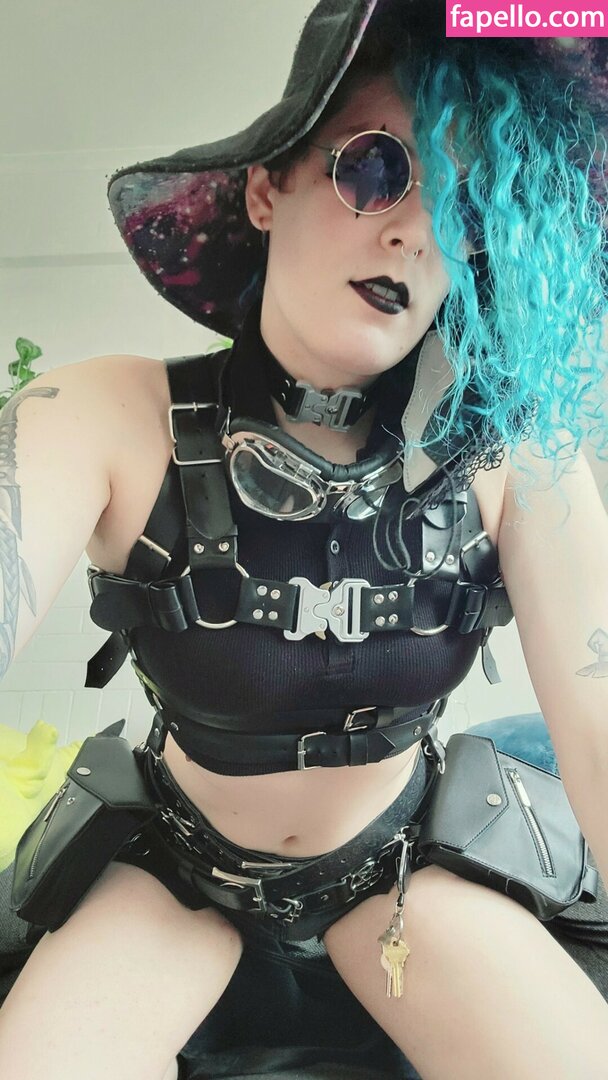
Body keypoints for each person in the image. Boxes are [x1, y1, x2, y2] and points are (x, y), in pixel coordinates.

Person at [0, 0, 608, 1077]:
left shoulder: (512, 456)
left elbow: (600, 728)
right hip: (173, 878)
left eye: (463, 204)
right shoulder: (99, 415)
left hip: (402, 878)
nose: (413, 231)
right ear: (265, 187)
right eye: (377, 169)